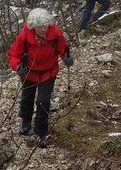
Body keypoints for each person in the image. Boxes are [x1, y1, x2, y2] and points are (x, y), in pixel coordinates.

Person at [6, 8, 72, 148]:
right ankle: (26, 122)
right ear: (33, 26)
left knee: (43, 101)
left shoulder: (55, 34)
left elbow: (62, 48)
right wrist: (17, 66)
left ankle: (40, 132)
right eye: (39, 27)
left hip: (49, 72)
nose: (43, 30)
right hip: (29, 73)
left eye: (45, 26)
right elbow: (13, 54)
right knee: (26, 99)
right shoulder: (24, 36)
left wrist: (66, 57)